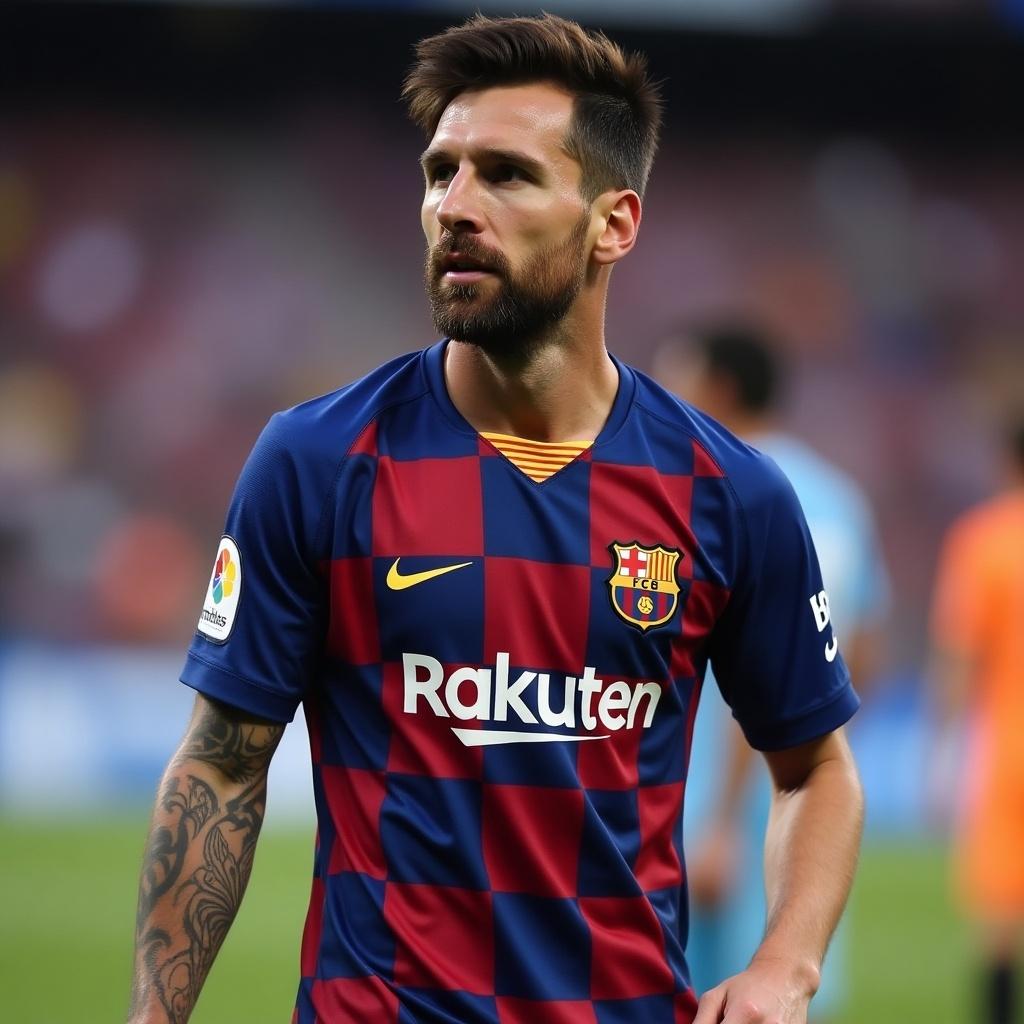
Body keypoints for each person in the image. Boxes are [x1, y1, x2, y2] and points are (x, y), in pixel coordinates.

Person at [126, 14, 864, 1024]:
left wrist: (787, 962)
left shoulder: (728, 494)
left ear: (614, 223)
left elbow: (814, 767)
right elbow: (220, 760)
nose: (453, 207)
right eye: (441, 172)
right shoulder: (318, 459)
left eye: (506, 175)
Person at [653, 322, 891, 1022]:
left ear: (718, 387)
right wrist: (823, 747)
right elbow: (864, 653)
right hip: (806, 790)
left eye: (679, 379)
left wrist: (723, 817)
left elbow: (743, 692)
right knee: (781, 988)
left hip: (715, 798)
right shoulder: (838, 497)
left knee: (703, 992)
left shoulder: (720, 491)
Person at [930, 412, 1024, 1024]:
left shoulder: (986, 538)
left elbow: (959, 657)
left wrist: (943, 748)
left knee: (999, 918)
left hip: (1010, 753)